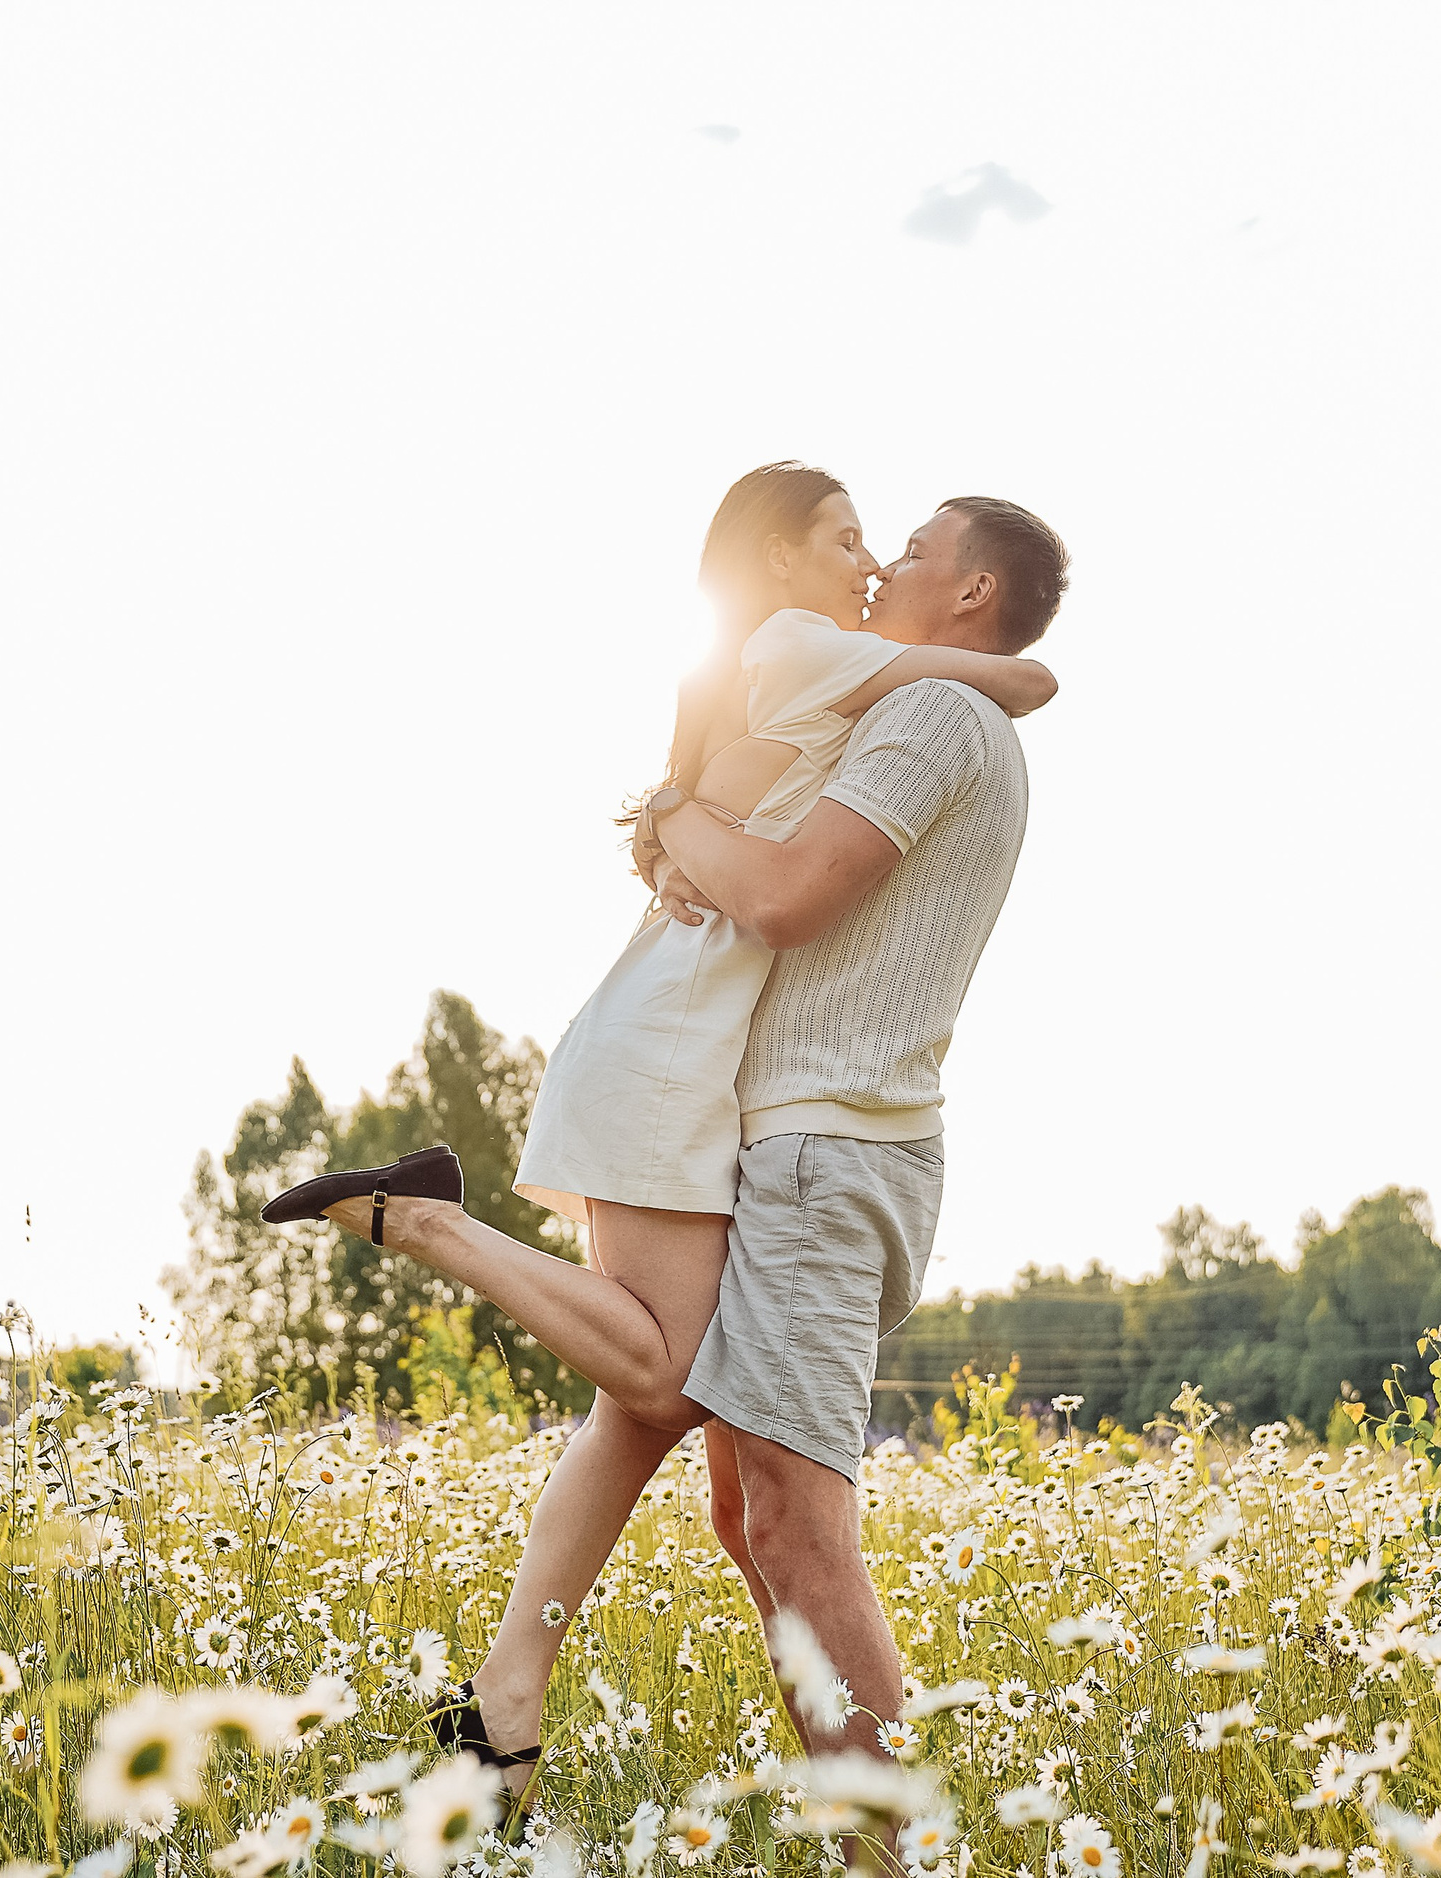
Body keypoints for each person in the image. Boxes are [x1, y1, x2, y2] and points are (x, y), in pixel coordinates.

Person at [260, 467, 1066, 1797]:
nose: (879, 560)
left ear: (972, 587)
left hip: (808, 1139)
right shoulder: (870, 677)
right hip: (735, 1102)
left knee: (758, 1495)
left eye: (906, 543)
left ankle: (842, 1828)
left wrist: (674, 814)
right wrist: (677, 817)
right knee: (712, 1471)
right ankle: (512, 1706)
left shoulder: (926, 701)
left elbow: (790, 892)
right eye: (856, 538)